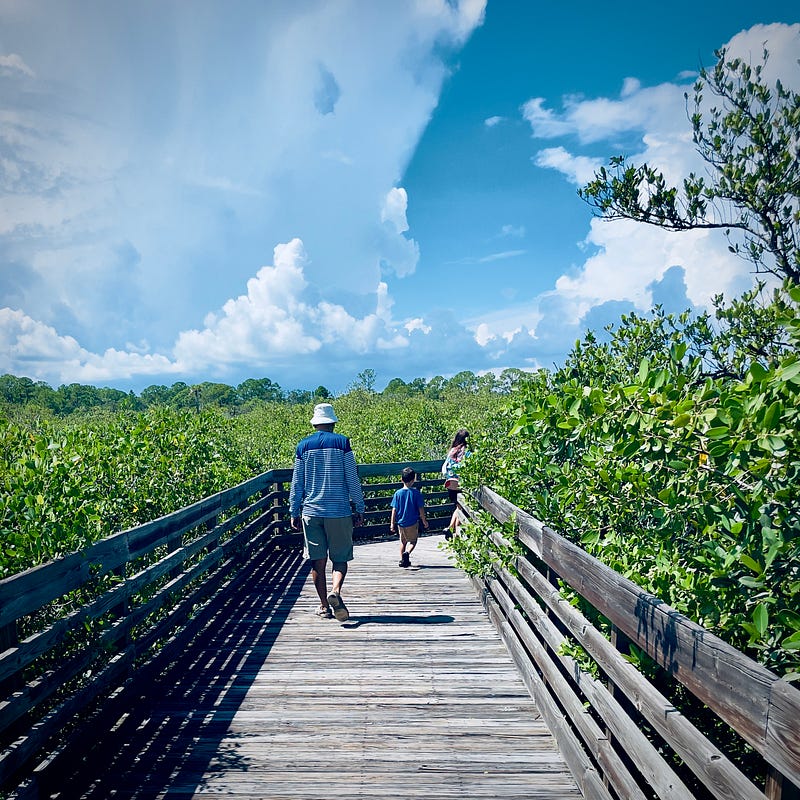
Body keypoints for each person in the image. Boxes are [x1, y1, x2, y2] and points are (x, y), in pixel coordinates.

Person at [289, 402, 365, 621]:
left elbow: (297, 483)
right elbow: (352, 478)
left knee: (317, 560)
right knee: (340, 558)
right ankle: (336, 592)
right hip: (339, 511)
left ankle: (323, 606)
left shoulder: (303, 446)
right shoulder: (342, 443)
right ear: (332, 422)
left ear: (315, 424)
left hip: (311, 512)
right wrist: (359, 507)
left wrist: (294, 511)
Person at [390, 467, 429, 568]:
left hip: (401, 523)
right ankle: (407, 553)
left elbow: (394, 509)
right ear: (414, 480)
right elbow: (421, 509)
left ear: (401, 479)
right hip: (412, 523)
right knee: (413, 541)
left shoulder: (397, 494)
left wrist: (392, 523)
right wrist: (424, 521)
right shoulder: (416, 493)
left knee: (402, 542)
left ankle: (403, 560)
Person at [442, 429, 470, 538]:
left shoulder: (452, 451)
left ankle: (450, 528)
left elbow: (445, 467)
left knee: (459, 507)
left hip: (450, 484)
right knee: (461, 509)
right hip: (460, 484)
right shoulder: (467, 452)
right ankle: (455, 534)